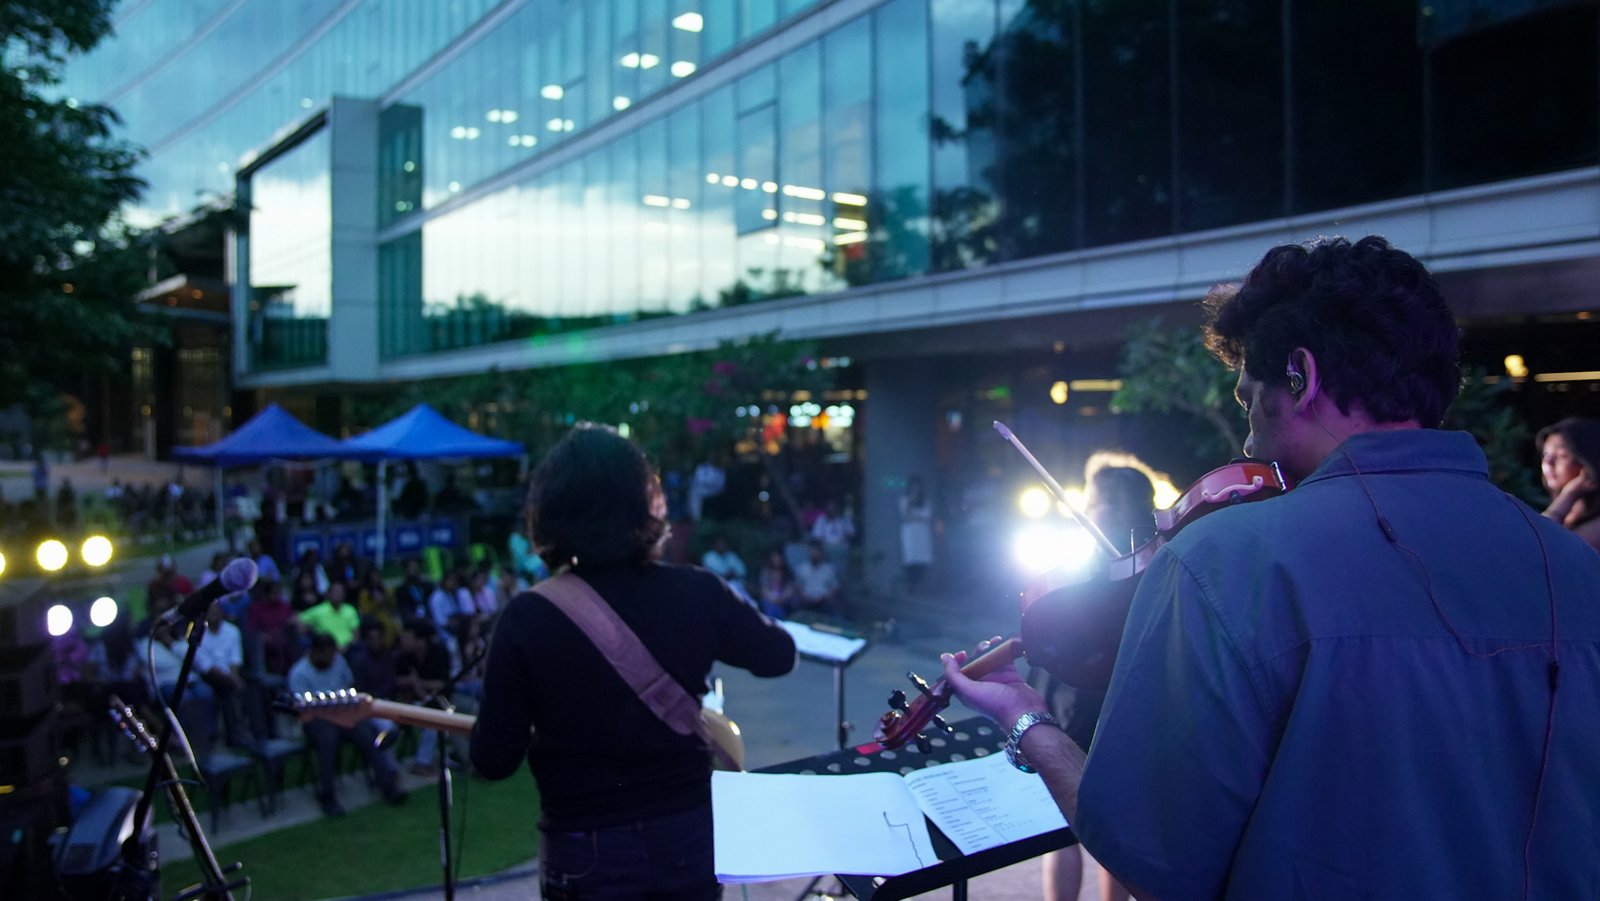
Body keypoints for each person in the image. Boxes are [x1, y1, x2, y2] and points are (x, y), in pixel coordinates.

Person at [941, 236, 1600, 899]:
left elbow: (1152, 865)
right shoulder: (1575, 564)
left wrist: (1026, 717)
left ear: (1299, 376)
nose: (1249, 440)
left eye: (1248, 399)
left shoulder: (1223, 561)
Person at [470, 423, 795, 900]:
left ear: (549, 511)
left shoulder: (528, 616)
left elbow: (493, 761)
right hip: (688, 831)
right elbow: (778, 655)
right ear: (645, 504)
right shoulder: (696, 590)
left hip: (586, 847)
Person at [1030, 458, 1157, 901]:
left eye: (1094, 502)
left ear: (1119, 506)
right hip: (1079, 686)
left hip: (1088, 695)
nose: (1084, 510)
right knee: (1072, 826)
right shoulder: (1139, 554)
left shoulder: (1150, 558)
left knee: (1096, 824)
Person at [288, 633, 406, 816]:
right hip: (316, 719)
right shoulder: (299, 673)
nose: (331, 658)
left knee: (369, 734)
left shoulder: (338, 662)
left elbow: (349, 685)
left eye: (332, 653)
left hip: (343, 714)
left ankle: (388, 785)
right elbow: (302, 709)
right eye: (327, 654)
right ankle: (328, 796)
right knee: (328, 741)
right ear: (315, 653)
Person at [1536, 417, 1600, 552]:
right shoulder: (1567, 514)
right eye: (1545, 454)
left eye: (1562, 455)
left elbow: (1540, 546)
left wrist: (1569, 494)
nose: (1548, 463)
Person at [898, 476, 934, 592]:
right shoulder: (904, 500)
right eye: (913, 487)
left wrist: (914, 518)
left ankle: (919, 585)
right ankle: (911, 585)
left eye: (918, 487)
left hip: (922, 533)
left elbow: (927, 518)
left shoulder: (925, 501)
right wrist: (911, 502)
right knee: (911, 559)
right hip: (909, 533)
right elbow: (904, 516)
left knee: (922, 558)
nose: (916, 490)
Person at [300, 582, 361, 649]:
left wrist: (346, 647)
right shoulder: (319, 610)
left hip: (348, 648)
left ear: (344, 595)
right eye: (335, 591)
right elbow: (298, 619)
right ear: (329, 594)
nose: (338, 594)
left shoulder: (350, 610)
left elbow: (356, 634)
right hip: (325, 648)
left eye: (340, 592)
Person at [792, 539, 840, 615]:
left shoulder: (829, 569)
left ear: (821, 552)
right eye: (813, 550)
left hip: (823, 602)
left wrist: (824, 597)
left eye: (817, 550)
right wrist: (804, 596)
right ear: (809, 551)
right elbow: (797, 586)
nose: (815, 553)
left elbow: (834, 587)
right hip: (805, 601)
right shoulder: (802, 568)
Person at [756, 547, 796, 618]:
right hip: (768, 600)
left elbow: (788, 592)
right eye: (774, 557)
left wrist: (779, 599)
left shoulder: (788, 574)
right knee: (768, 605)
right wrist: (771, 598)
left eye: (778, 557)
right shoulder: (766, 572)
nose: (777, 559)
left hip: (782, 602)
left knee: (776, 608)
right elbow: (764, 589)